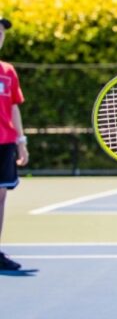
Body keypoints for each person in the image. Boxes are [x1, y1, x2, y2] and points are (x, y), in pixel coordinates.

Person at [0, 17, 29, 271]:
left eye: (1, 33)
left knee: (0, 197)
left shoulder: (8, 71)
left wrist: (21, 141)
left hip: (5, 144)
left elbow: (14, 107)